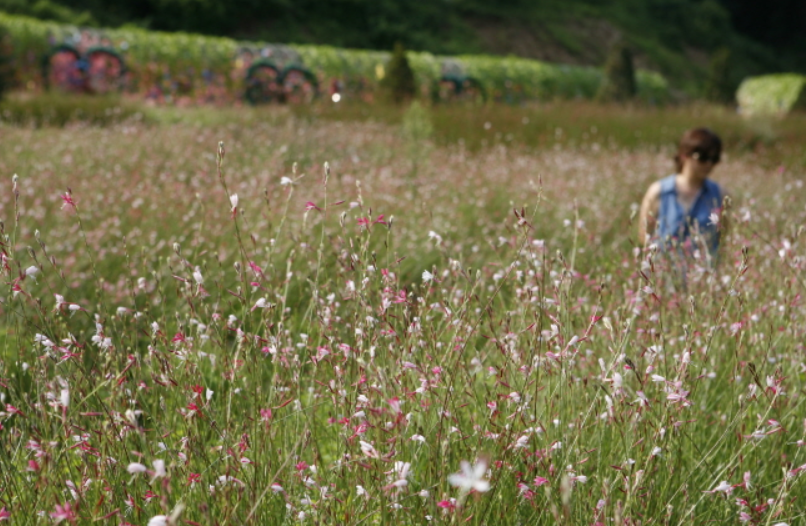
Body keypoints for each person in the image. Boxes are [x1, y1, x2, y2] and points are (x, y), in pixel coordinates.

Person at [638, 127, 727, 260]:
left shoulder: (719, 194)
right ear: (685, 155)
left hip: (703, 274)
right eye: (703, 157)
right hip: (664, 272)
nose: (709, 164)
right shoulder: (659, 191)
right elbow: (644, 236)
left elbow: (723, 236)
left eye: (714, 159)